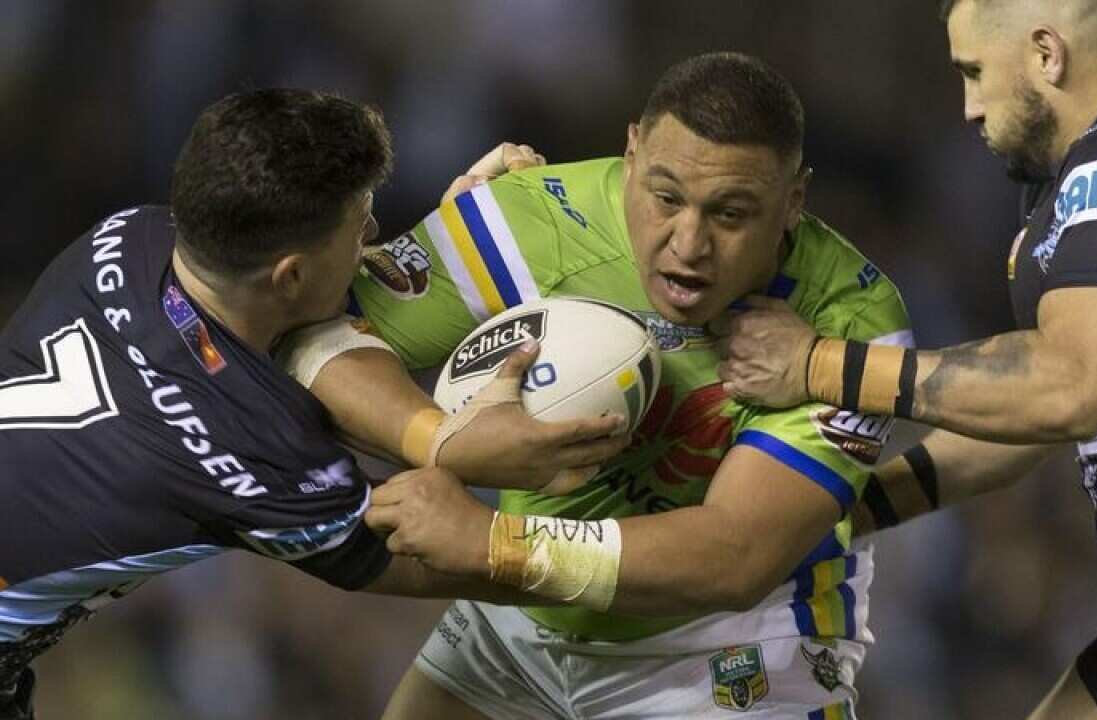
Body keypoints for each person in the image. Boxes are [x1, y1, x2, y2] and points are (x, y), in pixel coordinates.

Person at [280, 52, 913, 718]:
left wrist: (495, 543)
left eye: (730, 215)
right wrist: (442, 442)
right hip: (523, 616)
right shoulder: (533, 221)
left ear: (793, 202)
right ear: (632, 151)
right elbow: (320, 337)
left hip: (728, 649)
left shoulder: (851, 323)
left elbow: (736, 557)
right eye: (665, 198)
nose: (688, 243)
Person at [717, 1, 1097, 719]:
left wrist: (819, 365)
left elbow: (1068, 388)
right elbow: (1035, 417)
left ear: (1047, 53)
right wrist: (850, 510)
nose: (968, 107)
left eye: (975, 73)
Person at [0, 89, 618, 720]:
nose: (371, 236)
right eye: (360, 226)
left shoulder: (128, 237)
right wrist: (629, 557)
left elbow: (249, 348)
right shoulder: (257, 459)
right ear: (290, 276)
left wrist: (464, 240)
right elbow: (455, 558)